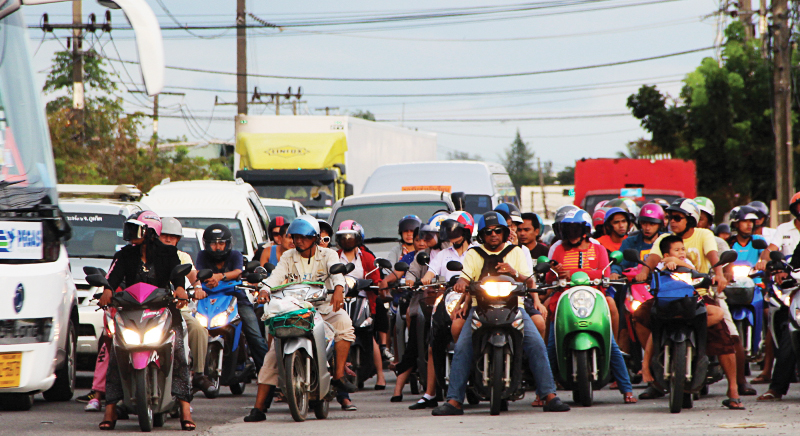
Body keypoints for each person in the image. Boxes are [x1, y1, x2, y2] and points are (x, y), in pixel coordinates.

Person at [431, 212, 571, 415]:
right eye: (488, 232)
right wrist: (461, 284)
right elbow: (465, 276)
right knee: (462, 347)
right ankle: (454, 400)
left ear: (504, 232)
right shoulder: (473, 253)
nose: (493, 235)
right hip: (481, 308)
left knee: (536, 344)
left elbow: (529, 280)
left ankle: (549, 396)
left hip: (514, 306)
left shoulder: (516, 252)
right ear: (482, 235)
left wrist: (513, 272)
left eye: (498, 231)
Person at [245, 216, 357, 422]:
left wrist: (339, 288)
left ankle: (339, 375)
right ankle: (259, 408)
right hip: (295, 309)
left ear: (314, 238)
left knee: (345, 324)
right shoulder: (288, 256)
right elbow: (275, 277)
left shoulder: (328, 254)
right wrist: (264, 289)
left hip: (323, 306)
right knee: (272, 354)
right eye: (295, 237)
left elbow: (337, 273)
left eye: (303, 237)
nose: (298, 241)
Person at [636, 199, 743, 409]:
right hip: (666, 295)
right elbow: (654, 259)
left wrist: (719, 275)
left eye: (677, 218)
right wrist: (643, 272)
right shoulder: (666, 239)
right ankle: (654, 372)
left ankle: (733, 390)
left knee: (725, 335)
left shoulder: (704, 235)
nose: (672, 222)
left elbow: (714, 257)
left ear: (691, 220)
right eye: (670, 218)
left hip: (699, 294)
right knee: (639, 316)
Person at [97, 211, 195, 430]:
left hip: (163, 309)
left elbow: (177, 274)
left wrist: (180, 288)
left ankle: (185, 409)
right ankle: (110, 409)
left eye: (136, 229)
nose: (130, 234)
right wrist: (106, 289)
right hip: (130, 311)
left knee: (179, 350)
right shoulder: (125, 254)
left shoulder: (168, 252)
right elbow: (112, 276)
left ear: (150, 232)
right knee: (115, 352)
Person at [545, 209, 636, 404]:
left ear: (585, 229)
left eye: (576, 228)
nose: (572, 233)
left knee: (610, 343)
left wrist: (573, 272)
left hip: (593, 299)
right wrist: (557, 273)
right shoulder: (558, 249)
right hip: (563, 300)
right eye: (568, 229)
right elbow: (548, 277)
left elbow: (606, 274)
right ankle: (543, 391)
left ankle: (626, 389)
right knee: (552, 345)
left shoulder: (599, 248)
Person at [399, 212, 475, 409]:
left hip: (473, 299)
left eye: (456, 231)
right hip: (449, 298)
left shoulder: (477, 252)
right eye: (449, 231)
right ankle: (430, 393)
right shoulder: (442, 254)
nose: (451, 235)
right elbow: (431, 271)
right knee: (433, 344)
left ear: (467, 231)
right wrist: (426, 278)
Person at [197, 225, 269, 374]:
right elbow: (198, 273)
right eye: (213, 243)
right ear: (207, 244)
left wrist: (219, 276)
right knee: (194, 329)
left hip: (237, 299)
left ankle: (267, 376)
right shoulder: (202, 256)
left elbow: (238, 271)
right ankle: (194, 372)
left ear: (227, 244)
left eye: (221, 243)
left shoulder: (235, 255)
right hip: (210, 300)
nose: (217, 247)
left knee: (255, 336)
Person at [160, 217, 216, 397]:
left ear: (178, 239)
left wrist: (198, 288)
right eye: (164, 235)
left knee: (199, 329)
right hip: (152, 311)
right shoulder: (150, 257)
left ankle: (199, 374)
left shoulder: (182, 257)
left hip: (178, 310)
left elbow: (193, 276)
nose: (168, 240)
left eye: (173, 236)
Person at [336, 220, 385, 410]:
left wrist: (376, 285)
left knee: (369, 337)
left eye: (351, 236)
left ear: (358, 238)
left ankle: (380, 374)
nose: (347, 240)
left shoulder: (366, 257)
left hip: (363, 300)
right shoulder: (334, 257)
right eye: (343, 237)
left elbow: (376, 278)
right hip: (339, 303)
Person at [756, 192, 800, 396]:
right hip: (794, 288)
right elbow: (776, 256)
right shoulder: (785, 231)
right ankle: (777, 387)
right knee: (792, 329)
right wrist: (773, 266)